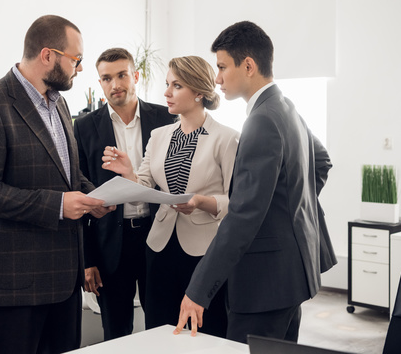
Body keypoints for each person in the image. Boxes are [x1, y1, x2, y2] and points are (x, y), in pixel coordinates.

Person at [0, 15, 114, 354]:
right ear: (48, 55)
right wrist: (58, 205)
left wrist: (93, 196)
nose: (80, 68)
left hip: (63, 282)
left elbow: (66, 174)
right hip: (13, 285)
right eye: (76, 59)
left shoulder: (59, 103)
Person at [175, 21, 333, 344]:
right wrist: (288, 210)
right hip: (290, 276)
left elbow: (244, 216)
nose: (216, 78)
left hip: (265, 284)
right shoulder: (286, 107)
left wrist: (197, 290)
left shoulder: (261, 120)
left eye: (221, 67)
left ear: (248, 65)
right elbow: (321, 162)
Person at [102, 56, 240, 338]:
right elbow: (143, 185)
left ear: (199, 91)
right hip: (159, 246)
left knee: (204, 331)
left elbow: (236, 201)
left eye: (176, 86)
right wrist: (129, 174)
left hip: (204, 251)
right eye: (167, 84)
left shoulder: (226, 138)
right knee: (160, 328)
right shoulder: (159, 135)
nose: (166, 93)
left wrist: (200, 202)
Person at [73, 48, 176, 340]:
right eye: (106, 78)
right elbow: (79, 191)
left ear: (136, 76)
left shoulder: (166, 118)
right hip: (109, 245)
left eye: (121, 75)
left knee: (162, 325)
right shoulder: (83, 127)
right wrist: (87, 259)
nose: (115, 84)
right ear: (100, 83)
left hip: (157, 236)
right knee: (116, 331)